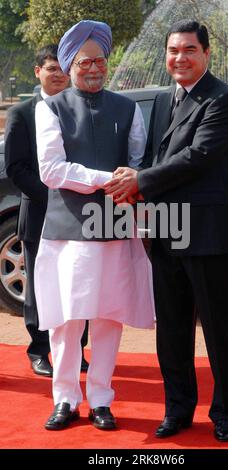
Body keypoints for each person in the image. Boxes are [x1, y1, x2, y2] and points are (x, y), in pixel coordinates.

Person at [104, 20, 228, 442]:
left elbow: (197, 157)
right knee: (173, 329)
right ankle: (178, 409)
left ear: (206, 54)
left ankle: (225, 414)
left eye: (188, 50)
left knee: (219, 331)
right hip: (166, 231)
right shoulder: (166, 99)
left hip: (209, 233)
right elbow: (156, 155)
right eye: (172, 50)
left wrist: (140, 181)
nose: (179, 58)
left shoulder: (223, 99)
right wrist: (135, 177)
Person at [34, 20, 155, 431]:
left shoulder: (127, 107)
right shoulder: (49, 107)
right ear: (69, 65)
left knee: (108, 318)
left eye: (100, 61)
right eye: (84, 61)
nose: (93, 68)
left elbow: (140, 162)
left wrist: (133, 179)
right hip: (68, 232)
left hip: (115, 226)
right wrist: (108, 179)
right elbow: (51, 170)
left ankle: (102, 398)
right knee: (67, 321)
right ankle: (65, 398)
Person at [4, 45, 89, 377]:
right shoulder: (23, 113)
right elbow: (16, 168)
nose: (60, 74)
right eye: (52, 68)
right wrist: (54, 196)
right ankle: (40, 350)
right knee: (41, 289)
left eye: (64, 68)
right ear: (37, 71)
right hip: (40, 213)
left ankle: (76, 352)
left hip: (80, 216)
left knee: (78, 286)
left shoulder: (81, 108)